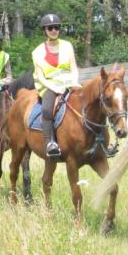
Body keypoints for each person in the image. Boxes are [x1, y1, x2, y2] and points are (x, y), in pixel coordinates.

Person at [32, 13, 80, 159]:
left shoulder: (67, 45)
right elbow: (40, 76)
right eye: (50, 28)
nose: (54, 30)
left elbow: (73, 67)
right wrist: (54, 88)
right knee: (47, 110)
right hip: (48, 86)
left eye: (57, 27)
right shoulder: (37, 51)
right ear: (45, 30)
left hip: (68, 84)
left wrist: (75, 82)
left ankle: (98, 141)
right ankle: (50, 143)